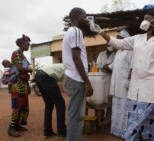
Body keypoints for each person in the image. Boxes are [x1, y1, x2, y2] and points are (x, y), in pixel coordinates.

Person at [90, 10, 154, 141]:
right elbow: (118, 43)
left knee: (153, 120)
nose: (144, 21)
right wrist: (101, 32)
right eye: (144, 18)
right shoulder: (137, 39)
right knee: (134, 119)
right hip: (135, 88)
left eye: (148, 18)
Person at [62, 7, 93, 141]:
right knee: (75, 117)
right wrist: (88, 83)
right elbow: (76, 57)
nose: (86, 19)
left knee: (77, 116)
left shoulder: (72, 32)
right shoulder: (76, 31)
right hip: (76, 79)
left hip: (73, 78)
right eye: (84, 16)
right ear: (77, 16)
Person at [109, 29, 132, 139]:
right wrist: (105, 66)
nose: (117, 40)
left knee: (124, 108)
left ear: (125, 39)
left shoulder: (130, 50)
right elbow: (113, 65)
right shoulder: (118, 51)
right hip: (116, 84)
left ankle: (124, 132)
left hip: (124, 85)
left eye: (119, 38)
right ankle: (116, 130)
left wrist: (128, 80)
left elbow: (133, 67)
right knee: (116, 107)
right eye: (117, 38)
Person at [8, 34, 32, 137]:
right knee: (17, 106)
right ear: (22, 44)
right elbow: (20, 69)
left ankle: (17, 125)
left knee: (24, 106)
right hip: (16, 84)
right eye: (27, 44)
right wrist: (30, 69)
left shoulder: (23, 55)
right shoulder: (16, 53)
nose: (28, 46)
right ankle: (11, 127)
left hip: (23, 82)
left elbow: (23, 69)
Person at [34, 63, 67, 138]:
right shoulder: (70, 69)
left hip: (38, 75)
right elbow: (68, 84)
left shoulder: (65, 66)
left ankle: (47, 131)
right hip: (46, 76)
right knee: (60, 103)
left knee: (49, 104)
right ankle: (62, 131)